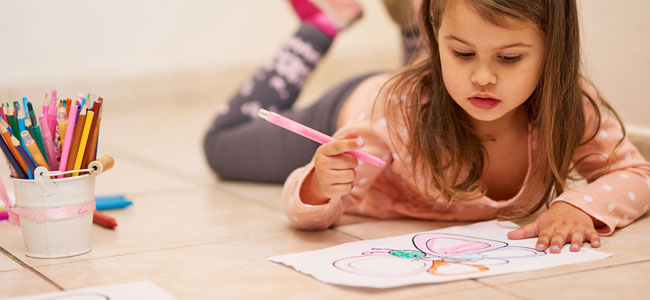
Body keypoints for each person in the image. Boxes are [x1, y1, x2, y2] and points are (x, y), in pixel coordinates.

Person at [204, 0, 650, 254]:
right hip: (364, 107)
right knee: (221, 145)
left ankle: (416, 19)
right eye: (461, 53)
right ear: (440, 43)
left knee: (444, 86)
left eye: (509, 58)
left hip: (430, 92)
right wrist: (321, 184)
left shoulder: (570, 103)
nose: (484, 78)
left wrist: (581, 207)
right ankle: (321, 22)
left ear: (554, 51)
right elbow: (307, 210)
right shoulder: (392, 114)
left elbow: (634, 173)